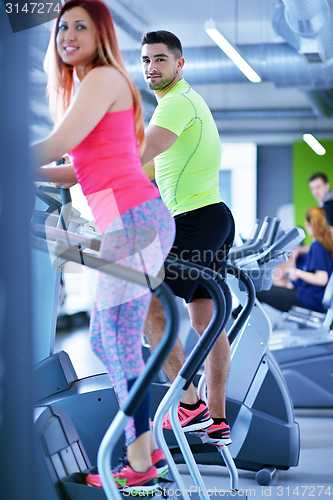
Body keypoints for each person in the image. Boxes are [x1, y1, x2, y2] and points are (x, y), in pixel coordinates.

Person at [31, 0, 176, 494]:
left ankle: (141, 457)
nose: (67, 34)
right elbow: (73, 168)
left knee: (111, 340)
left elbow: (53, 144)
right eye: (62, 27)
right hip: (130, 223)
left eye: (80, 26)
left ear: (102, 34)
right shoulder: (92, 85)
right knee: (108, 340)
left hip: (137, 221)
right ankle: (145, 448)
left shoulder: (103, 78)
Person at [140, 31, 235, 445]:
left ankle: (190, 403)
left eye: (160, 60)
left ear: (179, 64)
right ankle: (216, 419)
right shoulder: (182, 102)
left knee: (145, 306)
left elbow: (136, 154)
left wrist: (83, 160)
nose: (151, 68)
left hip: (195, 220)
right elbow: (151, 171)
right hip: (212, 215)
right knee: (205, 321)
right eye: (145, 61)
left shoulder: (176, 103)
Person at [257, 207, 333, 313]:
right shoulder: (326, 244)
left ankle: (234, 317)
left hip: (310, 300)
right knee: (262, 289)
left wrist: (296, 272)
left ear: (307, 224)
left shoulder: (317, 246)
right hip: (311, 297)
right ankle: (235, 317)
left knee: (256, 292)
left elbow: (322, 279)